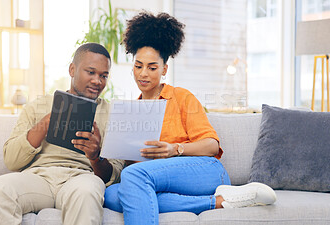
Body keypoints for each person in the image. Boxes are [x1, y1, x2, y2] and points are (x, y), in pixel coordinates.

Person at [103, 12, 277, 224]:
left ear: (164, 69)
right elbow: (133, 165)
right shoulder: (132, 111)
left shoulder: (181, 97)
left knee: (133, 179)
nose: (143, 74)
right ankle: (219, 202)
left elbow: (212, 146)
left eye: (152, 67)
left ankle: (216, 197)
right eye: (138, 66)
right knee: (112, 194)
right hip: (156, 178)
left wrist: (174, 149)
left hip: (203, 171)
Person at [0, 43, 125, 225]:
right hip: (38, 178)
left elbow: (115, 175)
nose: (98, 81)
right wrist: (44, 124)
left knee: (87, 192)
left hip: (81, 178)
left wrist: (95, 158)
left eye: (103, 76)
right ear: (72, 69)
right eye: (91, 72)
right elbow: (11, 160)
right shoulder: (39, 105)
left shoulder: (112, 114)